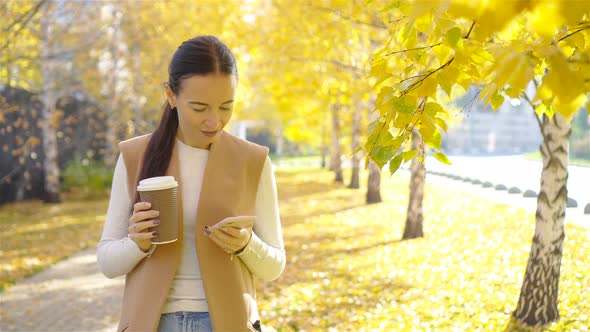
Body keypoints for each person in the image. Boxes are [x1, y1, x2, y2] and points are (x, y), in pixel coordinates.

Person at [97, 35, 286, 332]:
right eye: (199, 108)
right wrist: (137, 243)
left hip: (228, 324)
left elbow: (274, 267)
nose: (214, 121)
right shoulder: (135, 156)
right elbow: (107, 263)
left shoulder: (254, 161)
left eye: (226, 106)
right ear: (171, 95)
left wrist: (246, 244)